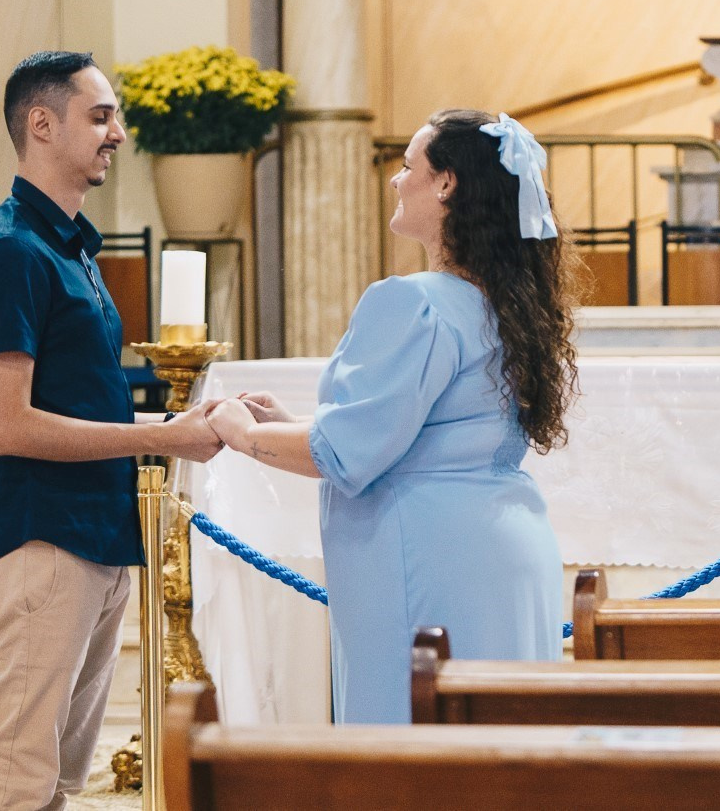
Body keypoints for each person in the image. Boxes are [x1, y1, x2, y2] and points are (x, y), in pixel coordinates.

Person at [207, 108, 577, 723]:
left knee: (416, 753)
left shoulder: (412, 302)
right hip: (501, 551)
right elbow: (424, 435)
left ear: (447, 183)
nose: (394, 180)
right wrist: (293, 421)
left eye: (408, 167)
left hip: (428, 560)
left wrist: (242, 433)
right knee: (498, 751)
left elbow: (342, 454)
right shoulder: (508, 303)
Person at [0, 52, 222, 811]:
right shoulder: (11, 252)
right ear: (43, 123)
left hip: (95, 536)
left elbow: (86, 407)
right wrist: (162, 439)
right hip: (42, 537)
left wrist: (177, 424)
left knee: (56, 782)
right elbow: (10, 426)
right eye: (101, 116)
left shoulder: (68, 247)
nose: (119, 133)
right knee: (14, 779)